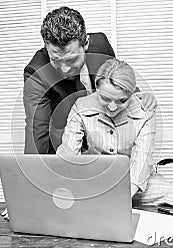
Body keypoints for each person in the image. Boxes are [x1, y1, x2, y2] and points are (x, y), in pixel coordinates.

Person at [23, 6, 157, 154]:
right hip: (66, 143)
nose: (65, 69)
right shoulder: (36, 73)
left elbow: (116, 79)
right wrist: (32, 172)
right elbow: (36, 131)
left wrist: (136, 96)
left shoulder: (100, 45)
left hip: (104, 140)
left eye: (71, 60)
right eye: (55, 60)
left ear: (86, 43)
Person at [57, 58, 155, 197]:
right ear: (97, 89)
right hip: (93, 180)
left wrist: (122, 198)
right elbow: (68, 156)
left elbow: (141, 163)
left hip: (133, 185)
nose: (112, 107)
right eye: (105, 98)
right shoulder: (81, 106)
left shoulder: (145, 110)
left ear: (132, 94)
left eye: (122, 101)